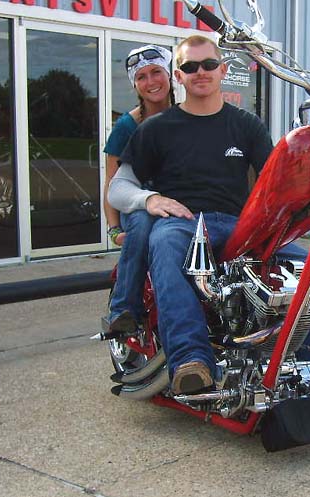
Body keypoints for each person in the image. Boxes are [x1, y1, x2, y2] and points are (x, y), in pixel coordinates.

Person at [109, 34, 310, 395]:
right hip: (181, 223)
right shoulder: (156, 128)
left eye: (209, 64)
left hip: (238, 225)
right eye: (190, 66)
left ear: (223, 71)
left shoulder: (246, 125)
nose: (201, 72)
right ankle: (191, 360)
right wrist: (149, 200)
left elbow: (277, 182)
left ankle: (308, 372)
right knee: (162, 245)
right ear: (178, 76)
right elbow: (118, 186)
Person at [103, 45, 175, 334]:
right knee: (143, 222)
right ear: (135, 85)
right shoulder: (127, 126)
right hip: (138, 203)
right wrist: (113, 229)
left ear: (170, 75)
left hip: (177, 201)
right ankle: (124, 308)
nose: (151, 81)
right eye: (141, 77)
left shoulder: (187, 117)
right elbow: (112, 182)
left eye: (156, 72)